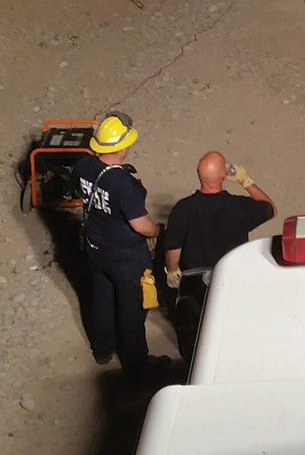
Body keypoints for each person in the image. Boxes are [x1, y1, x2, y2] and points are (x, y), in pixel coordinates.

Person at [165, 151, 276, 360]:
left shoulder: (183, 209)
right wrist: (246, 181)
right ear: (223, 177)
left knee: (198, 326)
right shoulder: (239, 207)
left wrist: (172, 272)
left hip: (196, 282)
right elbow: (270, 209)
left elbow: (173, 248)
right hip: (232, 278)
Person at [75, 112, 163, 376]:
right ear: (123, 147)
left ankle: (102, 349)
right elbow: (140, 225)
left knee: (102, 298)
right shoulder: (123, 184)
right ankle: (136, 362)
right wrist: (159, 230)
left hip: (95, 247)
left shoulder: (83, 166)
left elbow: (81, 192)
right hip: (125, 257)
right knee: (131, 309)